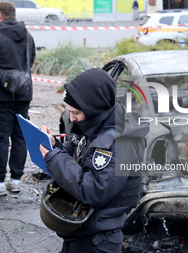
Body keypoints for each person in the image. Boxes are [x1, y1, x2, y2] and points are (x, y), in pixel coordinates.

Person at [39, 68, 149, 253]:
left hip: (98, 240)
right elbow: (80, 159)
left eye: (76, 113)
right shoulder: (94, 125)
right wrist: (54, 147)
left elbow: (94, 190)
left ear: (93, 108)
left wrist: (54, 158)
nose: (72, 118)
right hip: (82, 231)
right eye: (69, 111)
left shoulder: (118, 142)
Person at [0, 1, 36, 195]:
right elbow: (31, 61)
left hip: (0, 95)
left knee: (0, 138)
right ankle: (16, 180)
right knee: (19, 137)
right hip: (24, 93)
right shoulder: (28, 36)